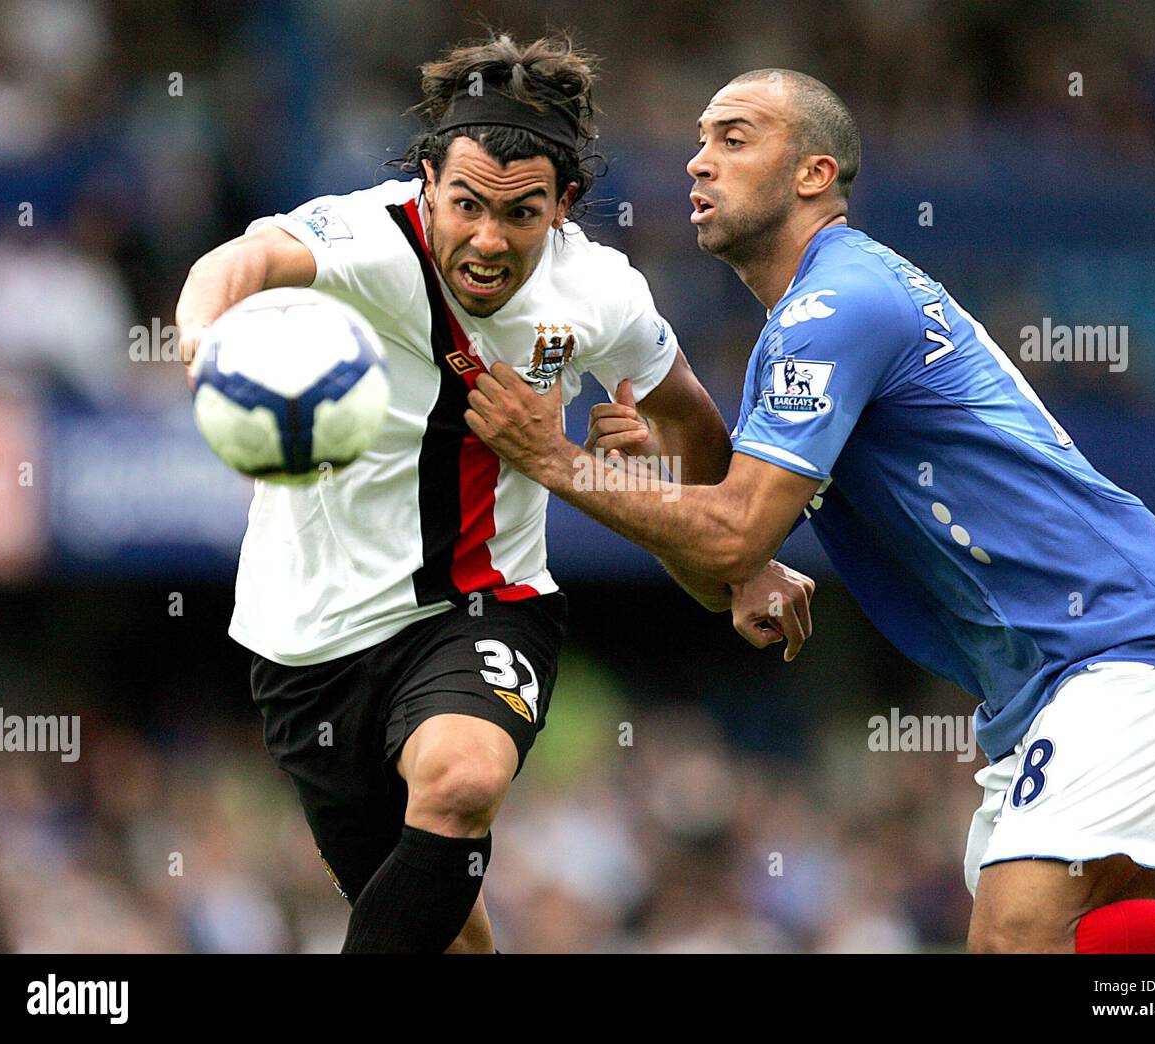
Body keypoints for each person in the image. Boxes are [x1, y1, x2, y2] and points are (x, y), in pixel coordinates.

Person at [463, 69, 1155, 954]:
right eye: (700, 140)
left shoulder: (838, 304)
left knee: (1020, 938)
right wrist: (656, 496)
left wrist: (556, 459)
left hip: (1124, 644)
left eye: (734, 140)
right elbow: (727, 569)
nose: (698, 163)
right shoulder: (799, 324)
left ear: (813, 173)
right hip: (1043, 685)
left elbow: (735, 532)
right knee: (1094, 943)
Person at [174, 37, 810, 954]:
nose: (485, 238)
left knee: (462, 782)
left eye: (520, 213)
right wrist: (203, 341)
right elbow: (239, 261)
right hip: (307, 640)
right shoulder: (366, 239)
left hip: (482, 606)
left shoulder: (596, 290)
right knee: (453, 936)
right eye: (465, 204)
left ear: (564, 207)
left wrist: (745, 562)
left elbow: (689, 421)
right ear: (426, 182)